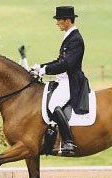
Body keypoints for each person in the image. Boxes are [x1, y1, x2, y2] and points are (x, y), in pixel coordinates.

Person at [32, 6, 90, 156]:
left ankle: (69, 142)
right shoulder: (68, 36)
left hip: (71, 81)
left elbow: (67, 64)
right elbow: (59, 60)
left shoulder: (76, 39)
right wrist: (41, 66)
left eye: (59, 20)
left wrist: (46, 71)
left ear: (68, 20)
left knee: (53, 105)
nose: (57, 23)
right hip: (63, 79)